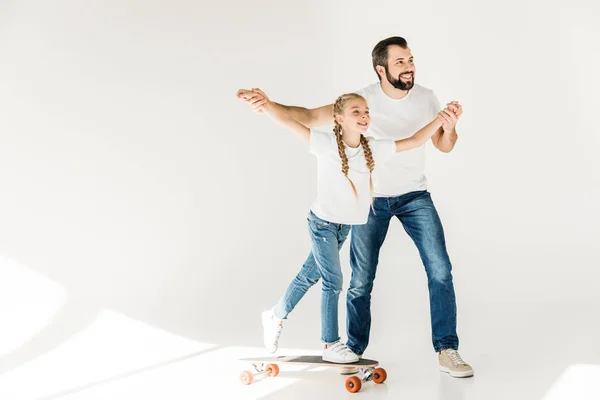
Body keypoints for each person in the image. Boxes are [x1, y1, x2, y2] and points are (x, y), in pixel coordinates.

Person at [237, 36, 473, 377]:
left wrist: (447, 125)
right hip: (367, 203)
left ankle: (447, 349)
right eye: (400, 62)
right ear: (382, 69)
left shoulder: (424, 101)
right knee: (358, 280)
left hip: (413, 196)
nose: (409, 67)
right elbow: (303, 118)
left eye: (410, 60)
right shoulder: (358, 107)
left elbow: (435, 143)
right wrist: (268, 105)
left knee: (439, 270)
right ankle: (351, 350)